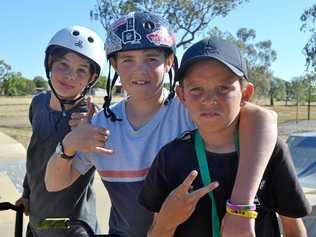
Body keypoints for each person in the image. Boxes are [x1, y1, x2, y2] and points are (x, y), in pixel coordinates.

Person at [45, 12, 278, 237]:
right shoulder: (101, 124)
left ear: (169, 63)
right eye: (127, 59)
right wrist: (68, 145)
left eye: (151, 58)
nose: (140, 69)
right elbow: (54, 184)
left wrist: (241, 205)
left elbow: (265, 119)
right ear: (114, 65)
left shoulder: (191, 108)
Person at [139, 37, 311, 237]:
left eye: (223, 88)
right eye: (196, 89)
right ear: (182, 95)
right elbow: (155, 232)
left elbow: (293, 228)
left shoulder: (272, 151)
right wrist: (166, 223)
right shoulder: (170, 156)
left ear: (246, 94)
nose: (209, 99)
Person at [15, 25, 106, 237]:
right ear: (49, 64)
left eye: (81, 70)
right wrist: (27, 193)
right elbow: (35, 152)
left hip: (72, 227)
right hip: (36, 221)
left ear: (91, 78)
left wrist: (90, 132)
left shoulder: (91, 118)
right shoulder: (38, 103)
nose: (70, 76)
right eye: (63, 64)